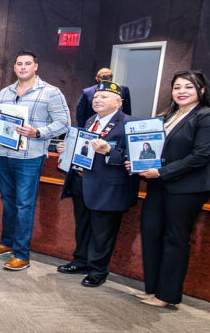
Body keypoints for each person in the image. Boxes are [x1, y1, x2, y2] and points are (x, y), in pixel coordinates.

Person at [135, 70, 210, 308]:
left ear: (201, 91)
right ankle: (153, 289)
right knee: (151, 234)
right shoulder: (168, 116)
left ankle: (167, 295)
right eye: (177, 87)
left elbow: (201, 156)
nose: (181, 91)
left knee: (175, 239)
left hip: (187, 188)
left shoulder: (208, 118)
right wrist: (138, 163)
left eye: (188, 87)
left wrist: (162, 172)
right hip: (159, 185)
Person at [0, 51, 70, 271]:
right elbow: (1, 121)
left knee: (24, 205)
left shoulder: (50, 92)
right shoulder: (5, 92)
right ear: (14, 68)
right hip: (5, 155)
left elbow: (64, 123)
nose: (23, 67)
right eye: (19, 64)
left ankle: (22, 254)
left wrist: (38, 132)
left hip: (30, 158)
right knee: (8, 200)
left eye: (27, 63)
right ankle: (7, 243)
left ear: (36, 66)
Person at [56, 81, 139, 287]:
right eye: (95, 97)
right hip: (82, 183)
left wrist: (110, 152)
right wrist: (66, 148)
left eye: (104, 97)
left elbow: (137, 158)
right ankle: (81, 261)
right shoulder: (91, 120)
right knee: (82, 227)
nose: (97, 100)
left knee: (103, 232)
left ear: (119, 102)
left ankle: (98, 270)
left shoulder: (129, 123)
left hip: (108, 188)